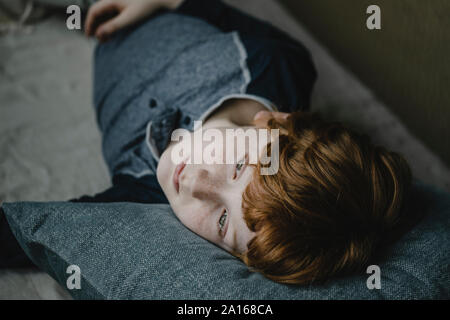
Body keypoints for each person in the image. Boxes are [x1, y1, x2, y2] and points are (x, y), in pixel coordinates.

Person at [0, 0, 413, 285]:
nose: (195, 182)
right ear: (273, 123)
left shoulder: (139, 196)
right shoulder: (277, 63)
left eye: (221, 222)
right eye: (237, 168)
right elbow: (215, 11)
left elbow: (29, 232)